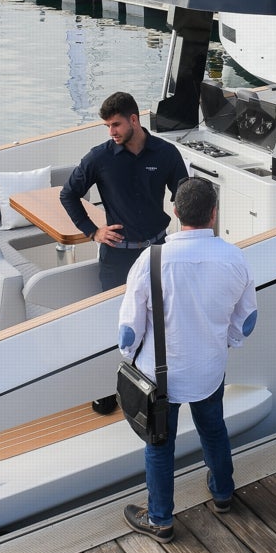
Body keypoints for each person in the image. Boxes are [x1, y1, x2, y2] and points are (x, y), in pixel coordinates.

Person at [120, 176, 258, 544]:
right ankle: (224, 493)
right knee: (213, 430)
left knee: (160, 445)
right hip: (210, 371)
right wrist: (222, 344)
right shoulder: (234, 258)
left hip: (161, 378)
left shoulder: (150, 260)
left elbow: (128, 333)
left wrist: (131, 358)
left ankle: (161, 519)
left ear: (176, 212)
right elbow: (246, 322)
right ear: (214, 214)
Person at [61, 91, 187, 414]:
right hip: (117, 259)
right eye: (107, 126)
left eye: (115, 124)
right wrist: (93, 231)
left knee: (160, 321)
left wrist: (182, 215)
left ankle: (155, 386)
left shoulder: (167, 153)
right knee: (114, 325)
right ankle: (107, 389)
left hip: (157, 253)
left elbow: (186, 194)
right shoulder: (98, 158)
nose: (111, 132)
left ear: (134, 120)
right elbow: (68, 195)